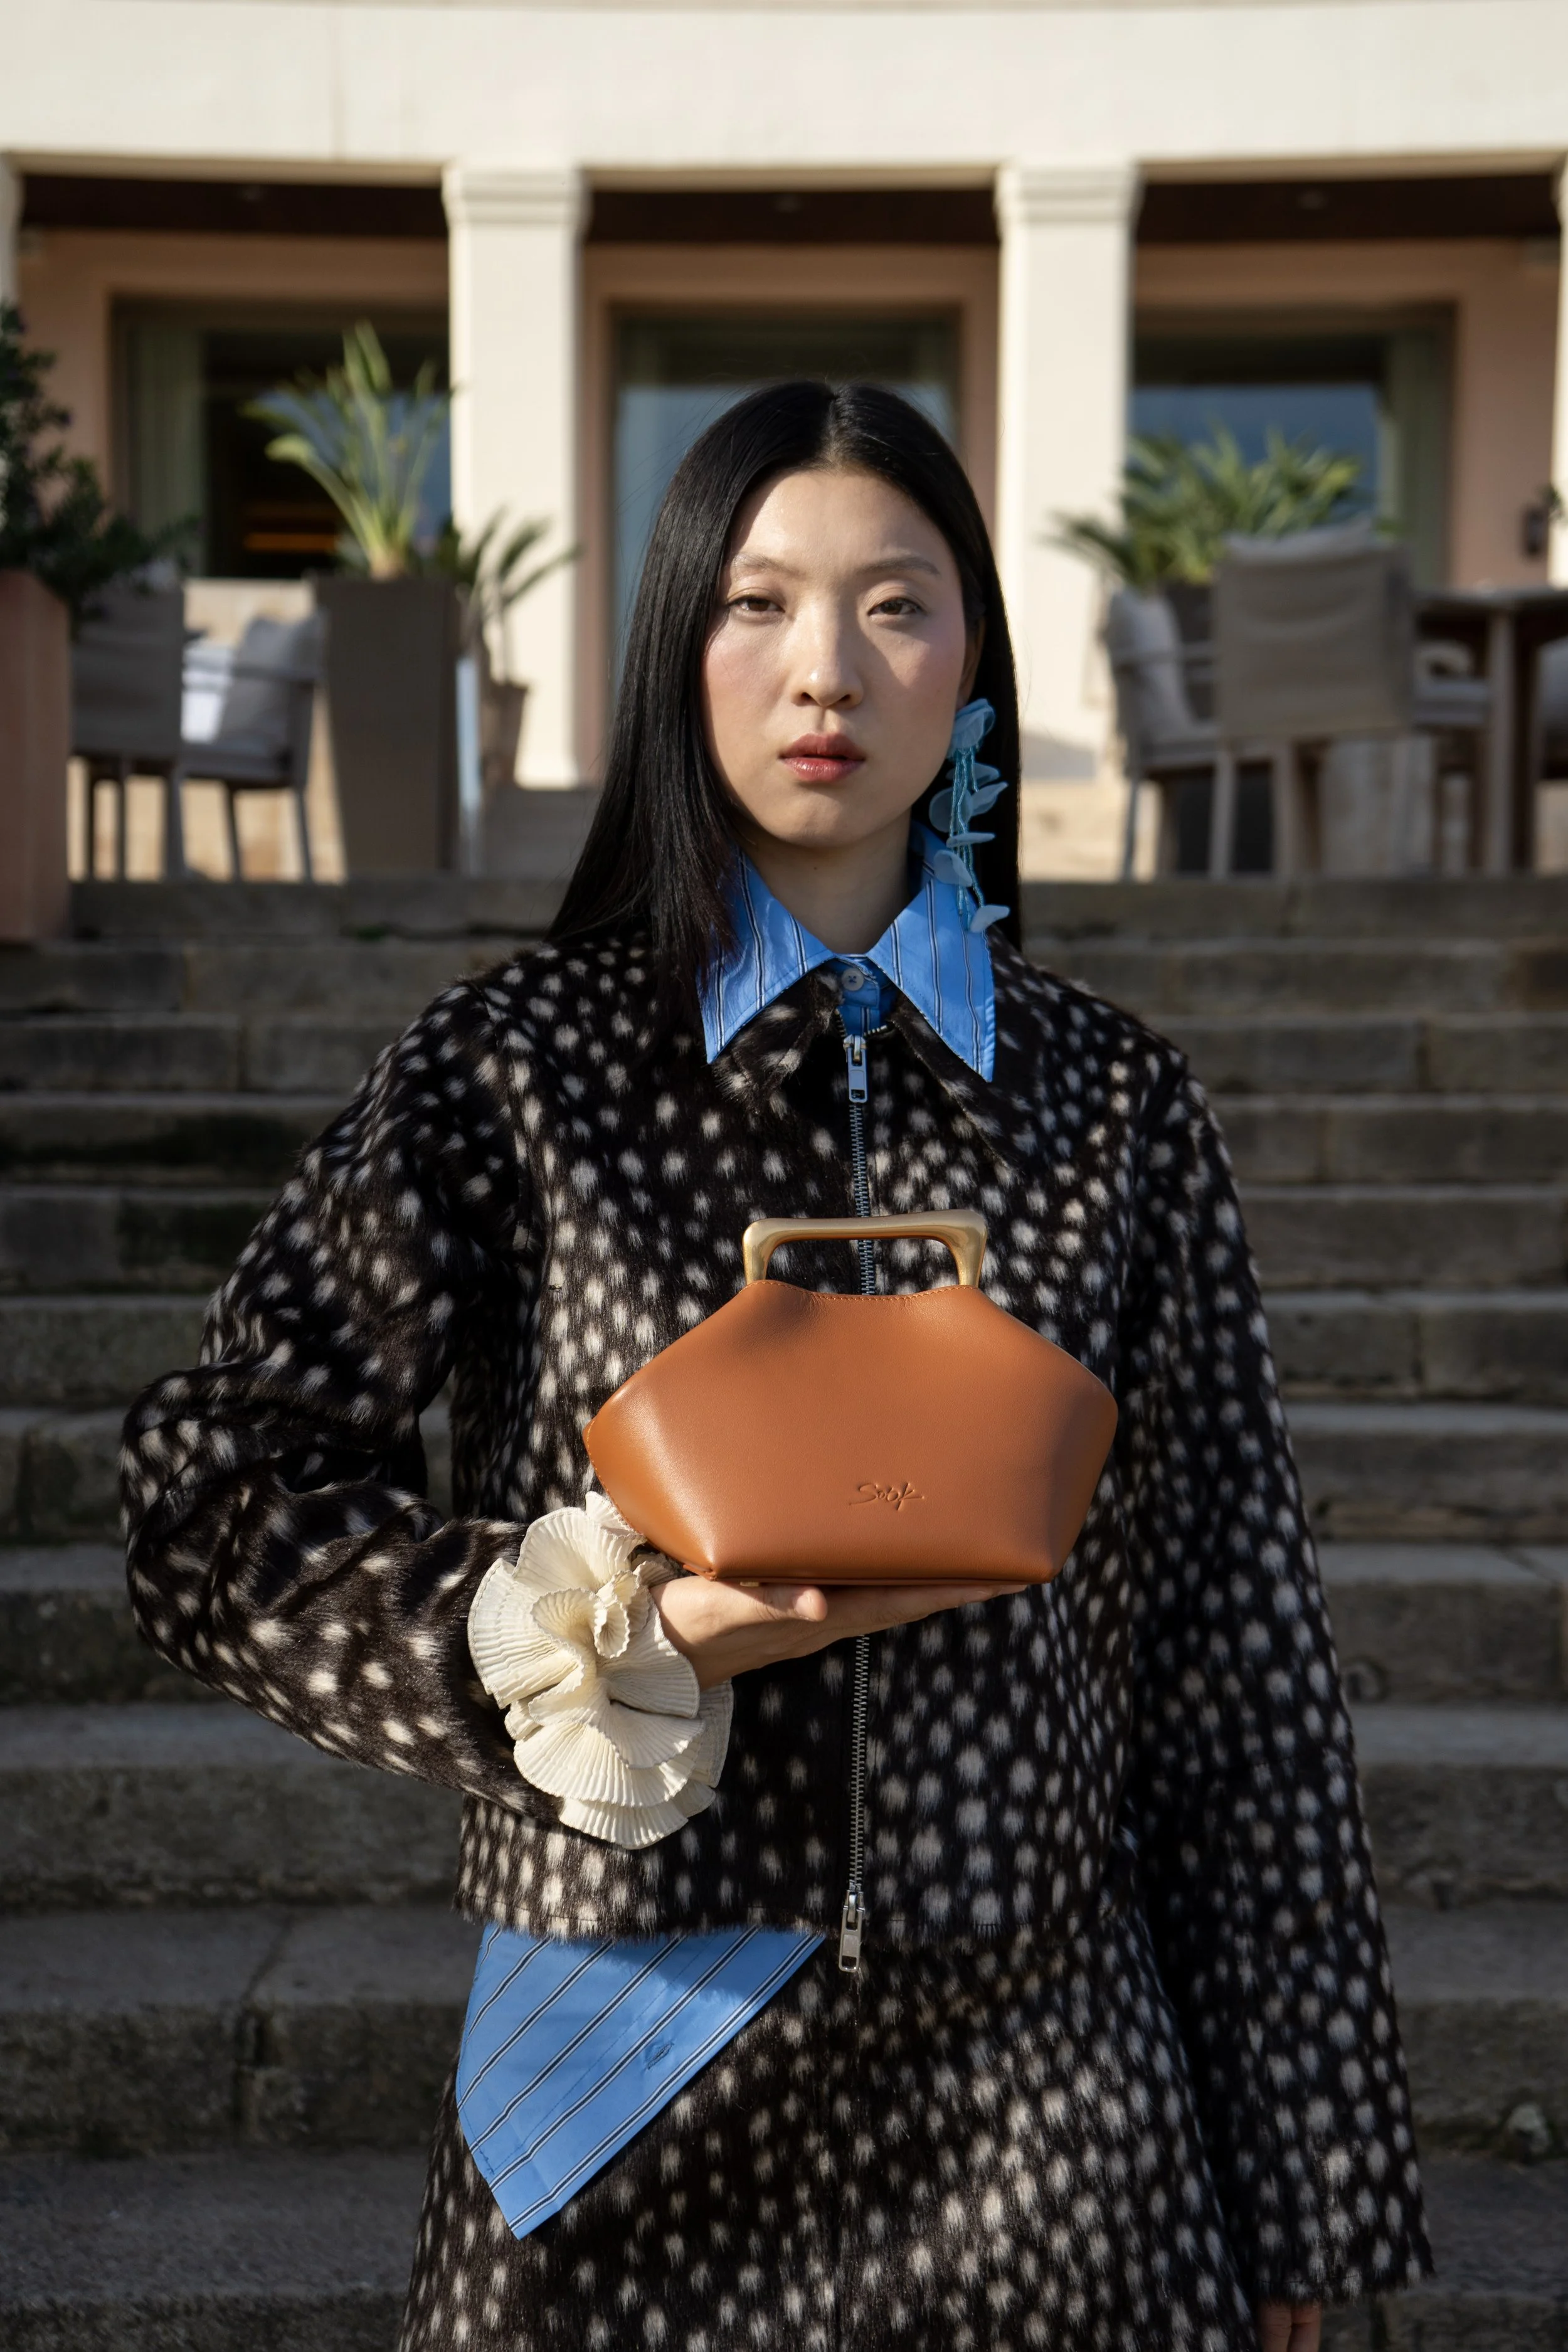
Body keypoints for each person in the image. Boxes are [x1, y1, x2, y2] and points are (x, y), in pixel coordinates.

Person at [123, 381, 1429, 2352]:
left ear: (971, 652)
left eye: (894, 603)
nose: (826, 666)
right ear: (678, 642)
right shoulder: (516, 1073)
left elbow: (1234, 1668)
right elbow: (208, 1500)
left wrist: (1303, 2189)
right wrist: (577, 1622)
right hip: (617, 2076)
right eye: (757, 602)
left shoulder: (1115, 1108)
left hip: (1055, 2110)